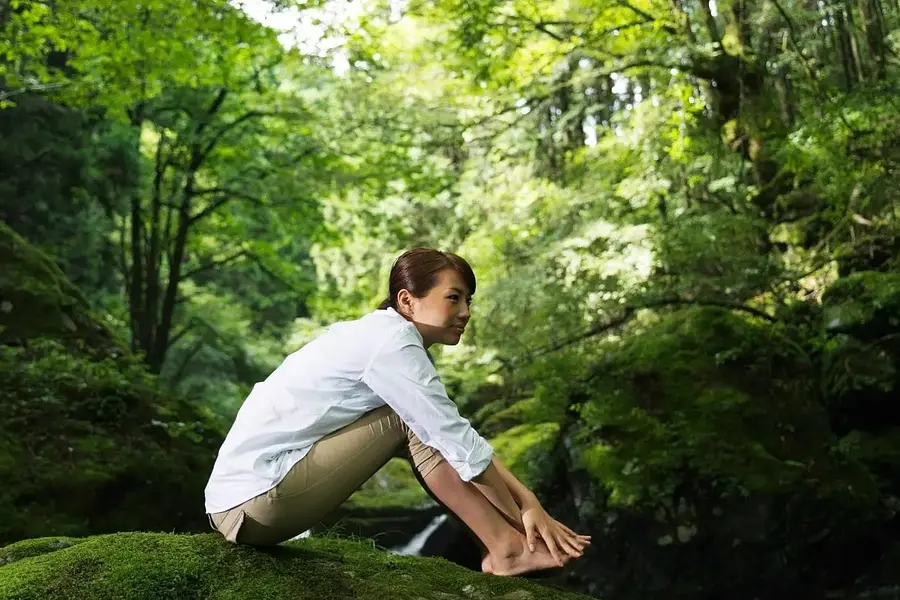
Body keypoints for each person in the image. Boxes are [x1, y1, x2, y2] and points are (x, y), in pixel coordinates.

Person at [204, 248, 591, 576]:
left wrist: (528, 501)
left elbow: (458, 436)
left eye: (469, 300)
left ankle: (506, 546)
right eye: (453, 297)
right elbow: (454, 439)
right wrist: (524, 508)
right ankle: (508, 547)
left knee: (417, 419)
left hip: (247, 499)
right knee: (408, 419)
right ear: (407, 301)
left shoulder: (382, 336)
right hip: (253, 503)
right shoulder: (391, 342)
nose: (466, 311)